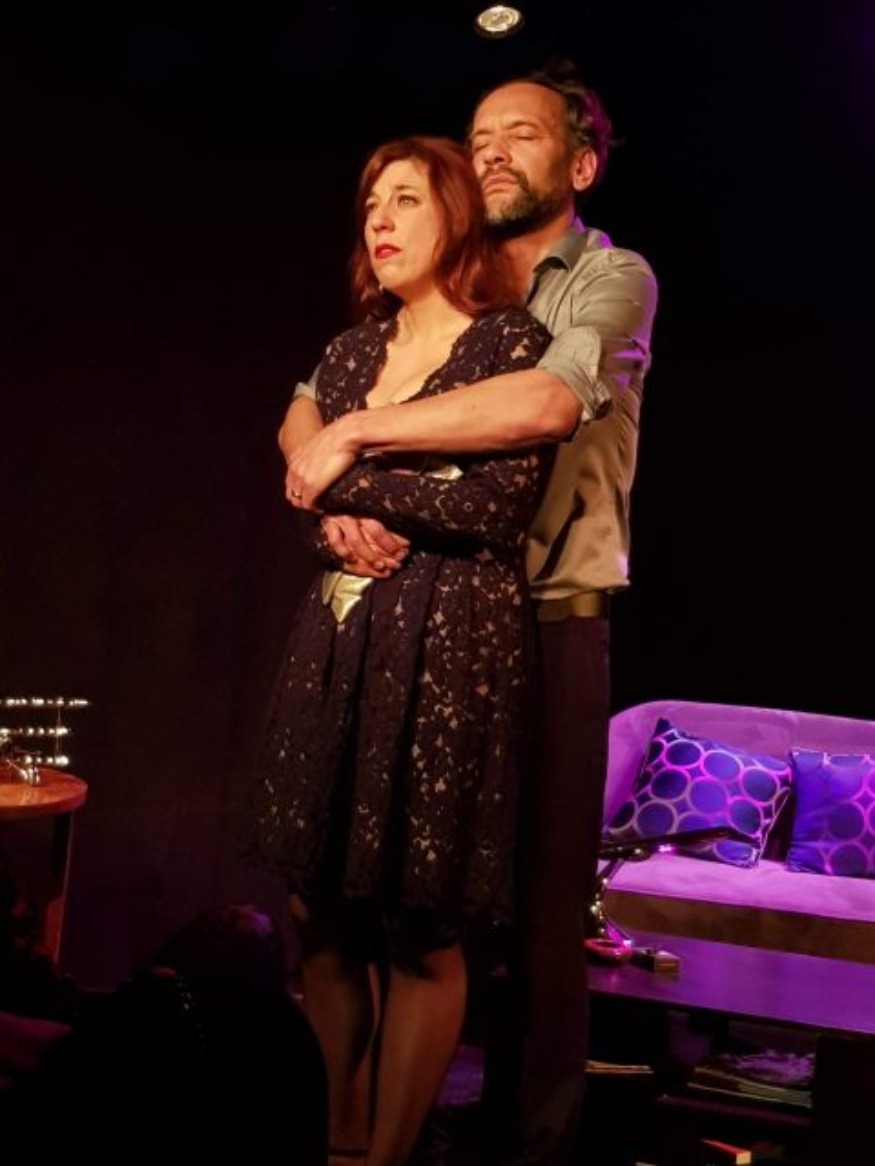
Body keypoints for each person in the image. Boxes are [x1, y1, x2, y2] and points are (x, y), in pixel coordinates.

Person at [279, 61, 659, 1166]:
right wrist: (332, 502)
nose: (490, 151)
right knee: (371, 892)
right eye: (478, 135)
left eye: (520, 135)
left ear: (579, 165)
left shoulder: (605, 277)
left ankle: (524, 1147)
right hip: (415, 606)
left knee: (534, 921)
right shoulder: (428, 287)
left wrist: (353, 443)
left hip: (546, 611)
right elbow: (302, 411)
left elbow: (544, 401)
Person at [244, 134, 554, 1166]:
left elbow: (495, 507)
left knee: (422, 916)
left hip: (452, 638)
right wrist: (335, 517)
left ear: (456, 215)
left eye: (407, 200)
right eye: (371, 202)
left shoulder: (507, 342)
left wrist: (349, 476)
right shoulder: (347, 354)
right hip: (341, 630)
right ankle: (336, 1139)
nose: (380, 220)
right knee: (318, 901)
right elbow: (308, 493)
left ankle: (388, 1153)